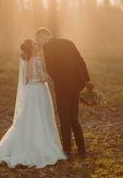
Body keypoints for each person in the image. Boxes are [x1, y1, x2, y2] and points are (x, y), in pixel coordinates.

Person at [0, 39, 67, 168]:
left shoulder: (37, 59)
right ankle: (36, 145)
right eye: (34, 43)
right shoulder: (32, 60)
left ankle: (42, 142)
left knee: (41, 117)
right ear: (31, 48)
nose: (37, 43)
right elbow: (28, 78)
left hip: (40, 91)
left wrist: (44, 77)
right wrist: (43, 78)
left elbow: (36, 75)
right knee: (35, 118)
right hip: (36, 92)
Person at [36, 27, 94, 158]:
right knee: (74, 119)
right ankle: (82, 150)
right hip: (76, 86)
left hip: (62, 87)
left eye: (39, 38)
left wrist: (55, 77)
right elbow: (81, 61)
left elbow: (51, 69)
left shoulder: (47, 48)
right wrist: (86, 80)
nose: (39, 41)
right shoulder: (68, 42)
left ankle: (67, 151)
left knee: (64, 120)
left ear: (44, 36)